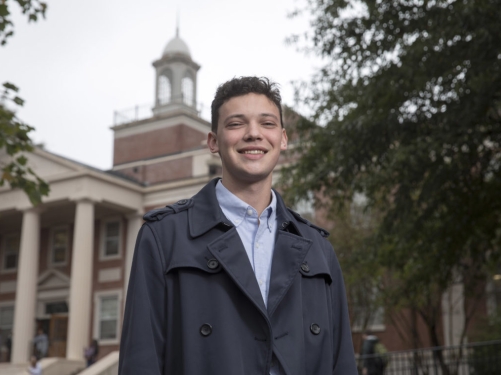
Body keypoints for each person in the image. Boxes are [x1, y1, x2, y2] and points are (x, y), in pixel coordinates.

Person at [119, 76, 358, 375]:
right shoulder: (163, 237)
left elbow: (342, 363)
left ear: (283, 139)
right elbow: (141, 360)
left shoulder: (319, 249)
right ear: (213, 141)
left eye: (267, 123)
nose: (253, 134)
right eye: (236, 124)